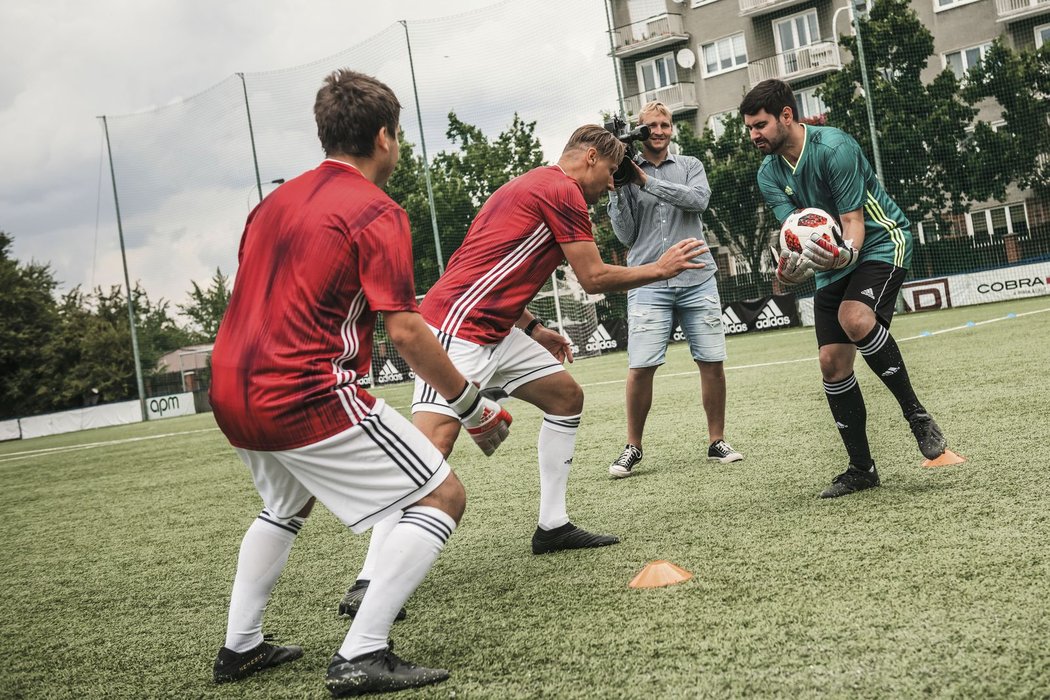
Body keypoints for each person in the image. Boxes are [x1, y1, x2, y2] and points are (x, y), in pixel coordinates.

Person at [207, 69, 512, 697]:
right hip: (303, 392)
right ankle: (362, 652)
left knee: (284, 505)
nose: (398, 147)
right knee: (440, 496)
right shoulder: (377, 211)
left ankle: (241, 647)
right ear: (383, 138)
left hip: (229, 389)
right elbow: (406, 331)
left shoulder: (271, 204)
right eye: (398, 136)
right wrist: (471, 405)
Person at [336, 124, 709, 618]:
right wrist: (660, 269)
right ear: (592, 158)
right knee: (431, 449)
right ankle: (368, 580)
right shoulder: (563, 191)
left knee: (565, 398)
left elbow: (494, 268)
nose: (611, 189)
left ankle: (552, 526)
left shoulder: (528, 183)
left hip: (497, 326)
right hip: (457, 327)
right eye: (611, 176)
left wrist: (533, 329)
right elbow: (593, 278)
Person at [739, 78, 948, 498]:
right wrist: (789, 269)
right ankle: (861, 469)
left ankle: (916, 416)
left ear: (786, 116)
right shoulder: (768, 174)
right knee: (832, 364)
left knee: (855, 318)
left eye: (759, 125)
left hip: (878, 242)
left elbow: (853, 222)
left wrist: (844, 256)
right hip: (833, 262)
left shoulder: (834, 148)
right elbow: (794, 234)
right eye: (748, 128)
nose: (754, 136)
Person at [605, 101, 743, 479]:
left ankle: (717, 440)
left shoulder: (690, 166)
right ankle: (633, 446)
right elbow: (625, 234)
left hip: (698, 278)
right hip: (648, 280)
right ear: (639, 130)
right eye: (652, 125)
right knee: (640, 367)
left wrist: (645, 181)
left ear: (672, 129)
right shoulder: (624, 172)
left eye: (666, 124)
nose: (660, 130)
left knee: (712, 362)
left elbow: (697, 201)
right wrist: (619, 187)